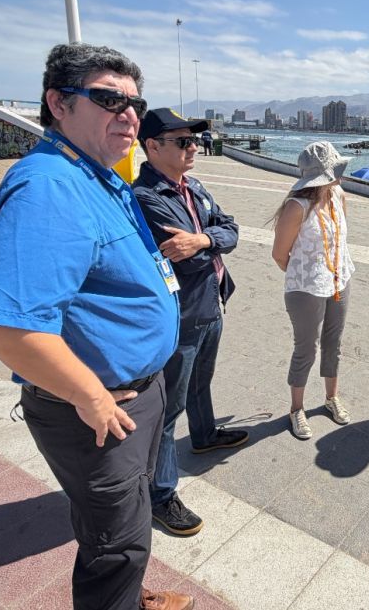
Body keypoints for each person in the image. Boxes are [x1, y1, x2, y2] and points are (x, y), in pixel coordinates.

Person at [0, 43, 194, 610]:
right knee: (117, 543)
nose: (130, 114)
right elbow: (7, 325)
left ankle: (131, 600)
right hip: (98, 407)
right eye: (109, 97)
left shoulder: (98, 174)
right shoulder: (49, 186)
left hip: (138, 387)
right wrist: (89, 396)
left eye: (135, 102)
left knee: (126, 519)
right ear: (58, 105)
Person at [133, 108, 246, 538]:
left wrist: (205, 238)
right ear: (153, 147)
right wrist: (208, 243)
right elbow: (188, 256)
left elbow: (230, 230)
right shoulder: (145, 197)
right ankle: (161, 495)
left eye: (193, 141)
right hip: (179, 317)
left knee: (201, 383)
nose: (193, 147)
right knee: (167, 408)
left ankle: (204, 435)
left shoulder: (193, 187)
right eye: (182, 142)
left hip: (211, 304)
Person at [270, 141, 355, 440]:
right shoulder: (297, 206)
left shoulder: (338, 195)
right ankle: (297, 408)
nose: (340, 176)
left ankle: (331, 398)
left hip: (340, 280)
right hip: (306, 288)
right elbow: (280, 255)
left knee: (334, 343)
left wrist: (332, 273)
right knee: (306, 348)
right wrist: (306, 278)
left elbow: (340, 242)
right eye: (335, 172)